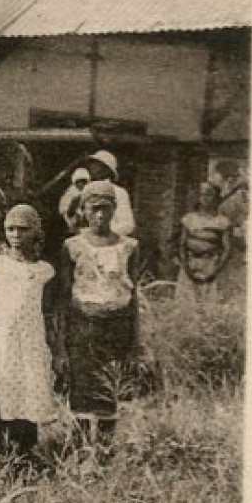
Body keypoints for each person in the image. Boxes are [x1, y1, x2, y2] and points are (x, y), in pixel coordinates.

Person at [60, 181, 142, 444]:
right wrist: (62, 339)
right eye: (94, 209)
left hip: (117, 326)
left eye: (106, 209)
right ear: (83, 209)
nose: (100, 215)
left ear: (114, 209)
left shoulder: (128, 247)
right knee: (83, 389)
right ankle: (80, 451)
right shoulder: (72, 246)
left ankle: (105, 449)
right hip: (83, 326)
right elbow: (64, 295)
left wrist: (135, 339)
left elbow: (133, 294)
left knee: (110, 388)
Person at [0, 205, 60, 459]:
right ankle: (1, 457)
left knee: (28, 398)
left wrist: (57, 351)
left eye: (22, 229)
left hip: (32, 342)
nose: (15, 234)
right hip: (2, 342)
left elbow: (49, 315)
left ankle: (26, 456)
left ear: (34, 232)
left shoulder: (45, 271)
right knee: (2, 398)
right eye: (11, 229)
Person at [177, 181, 233, 300]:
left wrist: (214, 271)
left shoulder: (222, 221)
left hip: (211, 263)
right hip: (191, 264)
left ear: (217, 197)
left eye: (209, 194)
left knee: (210, 301)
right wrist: (187, 268)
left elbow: (227, 249)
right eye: (201, 194)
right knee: (188, 301)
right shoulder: (189, 219)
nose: (204, 198)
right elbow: (182, 245)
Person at [83, 151, 137, 238]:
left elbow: (128, 225)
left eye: (97, 164)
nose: (92, 167)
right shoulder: (86, 190)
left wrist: (104, 234)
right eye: (92, 164)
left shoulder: (118, 192)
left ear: (107, 169)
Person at [59, 168, 92, 234]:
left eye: (84, 182)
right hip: (72, 214)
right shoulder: (71, 191)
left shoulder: (88, 191)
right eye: (79, 182)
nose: (81, 184)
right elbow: (65, 206)